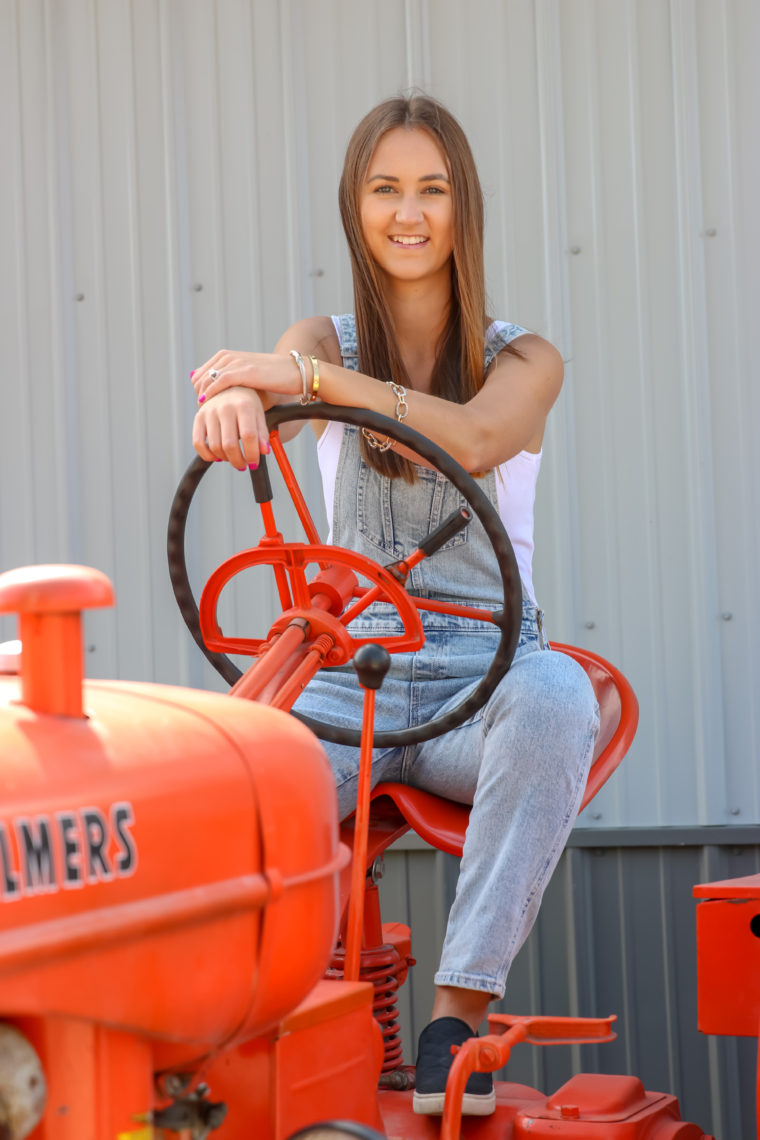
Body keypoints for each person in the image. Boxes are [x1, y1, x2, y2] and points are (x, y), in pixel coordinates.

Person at [190, 94, 599, 1117]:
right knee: (217, 770)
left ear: (463, 209)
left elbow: (467, 440)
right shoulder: (318, 338)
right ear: (354, 207)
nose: (407, 213)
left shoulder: (524, 360)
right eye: (384, 190)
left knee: (558, 699)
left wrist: (308, 377)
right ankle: (226, 1026)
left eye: (431, 188)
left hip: (483, 677)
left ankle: (453, 1014)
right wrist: (237, 404)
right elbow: (265, 408)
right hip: (349, 676)